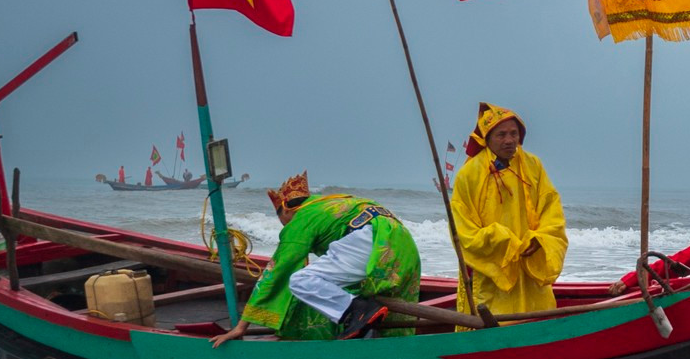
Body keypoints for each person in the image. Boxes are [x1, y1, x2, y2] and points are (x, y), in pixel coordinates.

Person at [210, 172, 421, 346]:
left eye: (280, 217)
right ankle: (387, 344)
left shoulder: (301, 218)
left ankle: (358, 312)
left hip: (372, 242)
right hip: (403, 245)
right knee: (342, 288)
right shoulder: (329, 203)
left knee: (301, 281)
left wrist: (240, 327)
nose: (283, 224)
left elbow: (278, 270)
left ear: (287, 209)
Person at [450, 103, 567, 316]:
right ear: (487, 137)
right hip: (492, 274)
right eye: (501, 134)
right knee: (493, 321)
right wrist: (504, 242)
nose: (509, 140)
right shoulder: (469, 175)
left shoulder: (533, 166)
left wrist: (541, 239)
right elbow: (462, 230)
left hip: (530, 266)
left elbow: (552, 209)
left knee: (537, 322)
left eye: (514, 133)